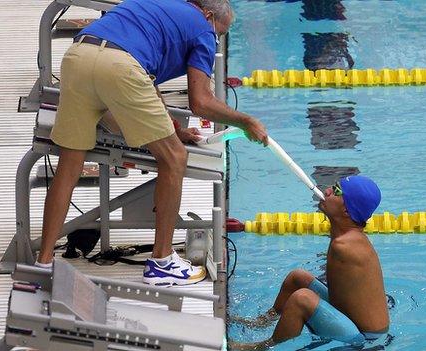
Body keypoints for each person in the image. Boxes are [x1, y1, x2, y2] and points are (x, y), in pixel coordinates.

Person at [35, 0, 268, 286]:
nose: (217, 40)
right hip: (120, 68)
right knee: (174, 158)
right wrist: (246, 121)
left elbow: (146, 75)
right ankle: (162, 261)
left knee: (69, 166)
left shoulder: (160, 7)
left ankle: (43, 264)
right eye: (220, 32)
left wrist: (169, 128)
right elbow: (200, 101)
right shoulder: (203, 30)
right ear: (208, 16)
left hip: (78, 55)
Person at [231, 176, 389, 350]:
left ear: (346, 210)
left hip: (365, 337)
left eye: (336, 191)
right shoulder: (346, 237)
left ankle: (263, 347)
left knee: (302, 299)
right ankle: (263, 321)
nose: (327, 190)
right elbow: (342, 299)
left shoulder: (344, 246)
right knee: (297, 278)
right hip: (350, 318)